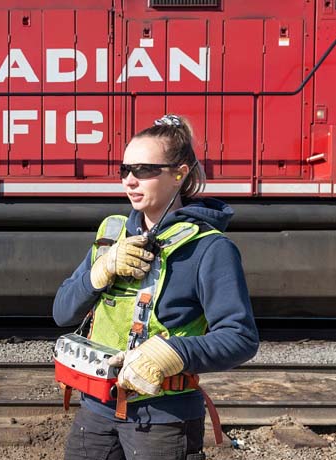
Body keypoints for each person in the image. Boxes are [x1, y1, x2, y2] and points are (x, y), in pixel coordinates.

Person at [53, 114, 259, 460]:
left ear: (180, 174)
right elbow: (61, 313)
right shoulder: (111, 234)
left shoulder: (210, 248)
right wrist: (97, 274)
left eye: (145, 170)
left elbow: (240, 338)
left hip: (163, 421)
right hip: (96, 411)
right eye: (125, 170)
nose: (131, 181)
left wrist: (173, 353)